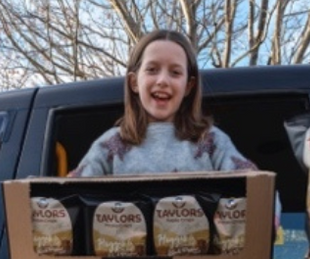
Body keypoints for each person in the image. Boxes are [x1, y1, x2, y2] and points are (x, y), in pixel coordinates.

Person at [68, 29, 257, 177]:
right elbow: (69, 199)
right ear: (134, 82)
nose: (163, 81)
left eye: (175, 72)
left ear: (188, 86)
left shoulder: (212, 142)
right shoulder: (110, 146)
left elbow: (259, 190)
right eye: (152, 69)